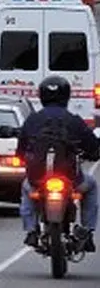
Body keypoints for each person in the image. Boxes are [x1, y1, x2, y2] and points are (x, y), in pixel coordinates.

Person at [17, 75, 100, 251]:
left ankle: (31, 230)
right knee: (91, 186)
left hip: (37, 179)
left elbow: (21, 149)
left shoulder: (32, 120)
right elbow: (93, 146)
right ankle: (88, 231)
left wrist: (25, 158)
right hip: (71, 179)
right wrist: (93, 153)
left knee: (26, 189)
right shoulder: (74, 120)